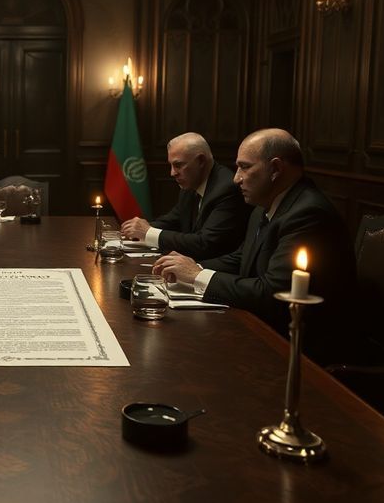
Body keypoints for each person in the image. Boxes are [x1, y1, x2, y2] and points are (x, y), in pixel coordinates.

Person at [152, 128, 355, 363]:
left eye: (245, 167)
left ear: (275, 169)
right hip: (265, 328)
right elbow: (241, 258)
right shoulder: (264, 205)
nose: (236, 177)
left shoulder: (308, 214)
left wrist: (198, 275)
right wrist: (188, 269)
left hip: (302, 352)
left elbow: (273, 295)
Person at [120, 132, 251, 259]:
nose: (172, 173)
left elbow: (205, 243)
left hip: (217, 269)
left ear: (201, 161)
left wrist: (148, 232)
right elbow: (173, 220)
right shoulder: (190, 184)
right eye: (171, 165)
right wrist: (137, 230)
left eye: (178, 165)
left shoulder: (227, 188)